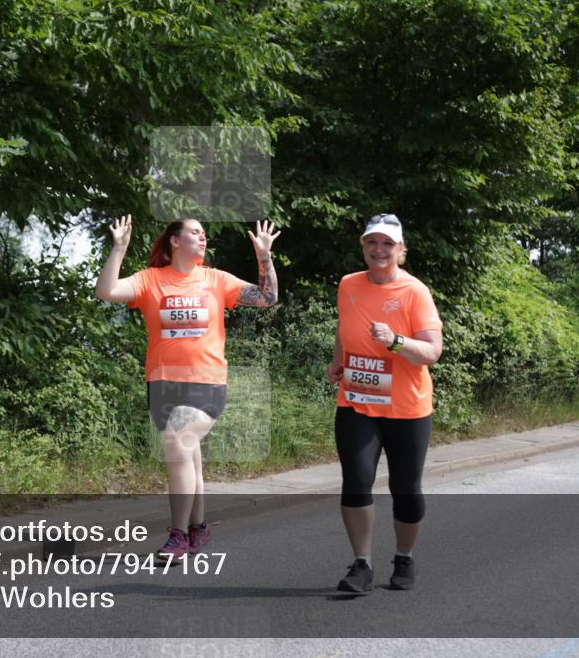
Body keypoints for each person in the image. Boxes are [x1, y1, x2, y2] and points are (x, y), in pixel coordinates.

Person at [96, 215, 280, 561]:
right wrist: (119, 248)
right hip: (163, 383)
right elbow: (106, 291)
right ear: (175, 242)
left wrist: (264, 255)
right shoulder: (151, 279)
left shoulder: (216, 279)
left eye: (204, 233)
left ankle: (178, 535)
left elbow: (267, 297)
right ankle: (199, 528)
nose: (203, 238)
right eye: (195, 232)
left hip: (206, 382)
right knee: (188, 456)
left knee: (179, 443)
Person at [324, 213, 443, 593]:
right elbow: (344, 327)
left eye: (388, 244)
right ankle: (362, 564)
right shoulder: (348, 285)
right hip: (356, 401)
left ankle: (404, 557)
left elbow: (432, 351)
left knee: (405, 488)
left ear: (400, 250)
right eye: (372, 242)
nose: (379, 249)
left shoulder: (414, 292)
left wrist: (395, 341)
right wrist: (338, 359)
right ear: (363, 247)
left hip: (406, 408)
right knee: (356, 481)